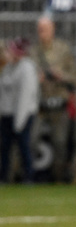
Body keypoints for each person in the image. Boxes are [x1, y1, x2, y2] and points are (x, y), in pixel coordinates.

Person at [30, 15, 76, 182]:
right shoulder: (33, 51)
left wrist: (61, 76)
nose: (42, 32)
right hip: (39, 104)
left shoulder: (63, 50)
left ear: (52, 30)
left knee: (60, 143)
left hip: (59, 102)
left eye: (45, 29)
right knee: (32, 139)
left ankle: (59, 178)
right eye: (39, 29)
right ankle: (29, 177)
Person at [0, 37, 39, 183]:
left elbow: (25, 96)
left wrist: (19, 121)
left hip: (22, 114)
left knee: (24, 147)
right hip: (7, 113)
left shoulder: (27, 68)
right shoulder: (8, 67)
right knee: (5, 148)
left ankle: (29, 176)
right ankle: (4, 176)